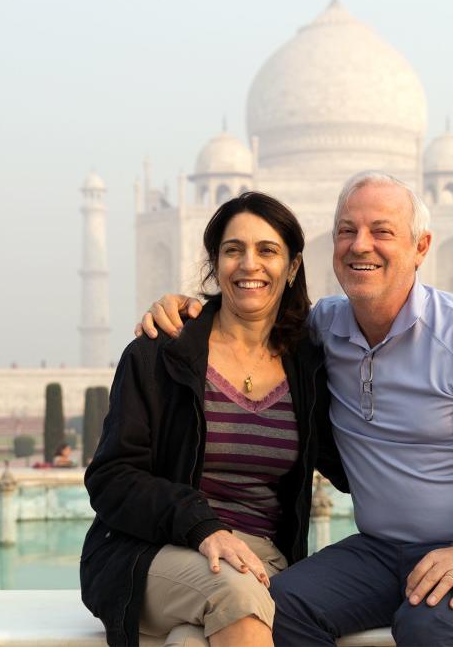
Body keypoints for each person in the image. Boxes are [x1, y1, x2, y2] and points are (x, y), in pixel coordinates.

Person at [141, 172, 453, 647]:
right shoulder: (322, 329)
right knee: (275, 609)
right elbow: (246, 317)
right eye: (347, 231)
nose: (361, 245)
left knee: (428, 626)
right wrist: (186, 310)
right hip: (382, 551)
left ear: (421, 247)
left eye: (382, 231)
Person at [81, 192, 343, 647]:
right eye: (233, 249)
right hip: (151, 552)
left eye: (267, 250)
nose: (249, 264)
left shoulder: (307, 364)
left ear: (294, 266)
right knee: (237, 600)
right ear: (215, 262)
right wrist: (202, 527)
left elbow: (351, 463)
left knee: (190, 641)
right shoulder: (162, 350)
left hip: (261, 555)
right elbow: (111, 476)